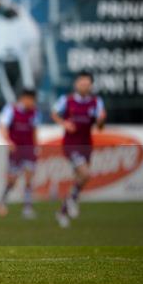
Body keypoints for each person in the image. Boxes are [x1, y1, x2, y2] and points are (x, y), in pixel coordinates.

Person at [51, 71, 106, 228]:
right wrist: (64, 123)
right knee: (85, 173)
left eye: (87, 83)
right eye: (81, 83)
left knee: (79, 181)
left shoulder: (96, 102)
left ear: (91, 85)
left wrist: (101, 120)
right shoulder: (66, 100)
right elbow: (54, 114)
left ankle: (62, 211)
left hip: (86, 144)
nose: (84, 86)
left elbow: (100, 126)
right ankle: (72, 201)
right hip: (71, 144)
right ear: (76, 84)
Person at [0, 89, 40, 219]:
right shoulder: (11, 110)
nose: (32, 103)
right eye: (30, 100)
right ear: (23, 99)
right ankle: (3, 200)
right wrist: (8, 141)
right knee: (12, 179)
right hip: (16, 150)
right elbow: (2, 127)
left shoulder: (34, 112)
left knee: (29, 177)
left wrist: (36, 146)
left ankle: (27, 207)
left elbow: (34, 130)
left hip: (28, 148)